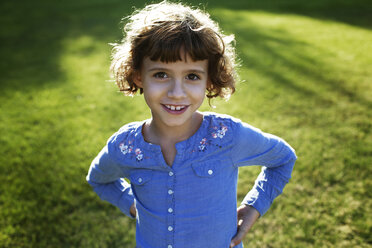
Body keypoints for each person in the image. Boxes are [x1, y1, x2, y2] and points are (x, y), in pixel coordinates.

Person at [86, 1, 297, 247]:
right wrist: (131, 205)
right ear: (138, 76)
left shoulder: (227, 136)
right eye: (161, 74)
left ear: (209, 81)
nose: (177, 92)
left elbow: (283, 159)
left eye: (192, 76)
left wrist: (253, 207)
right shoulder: (125, 146)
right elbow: (99, 178)